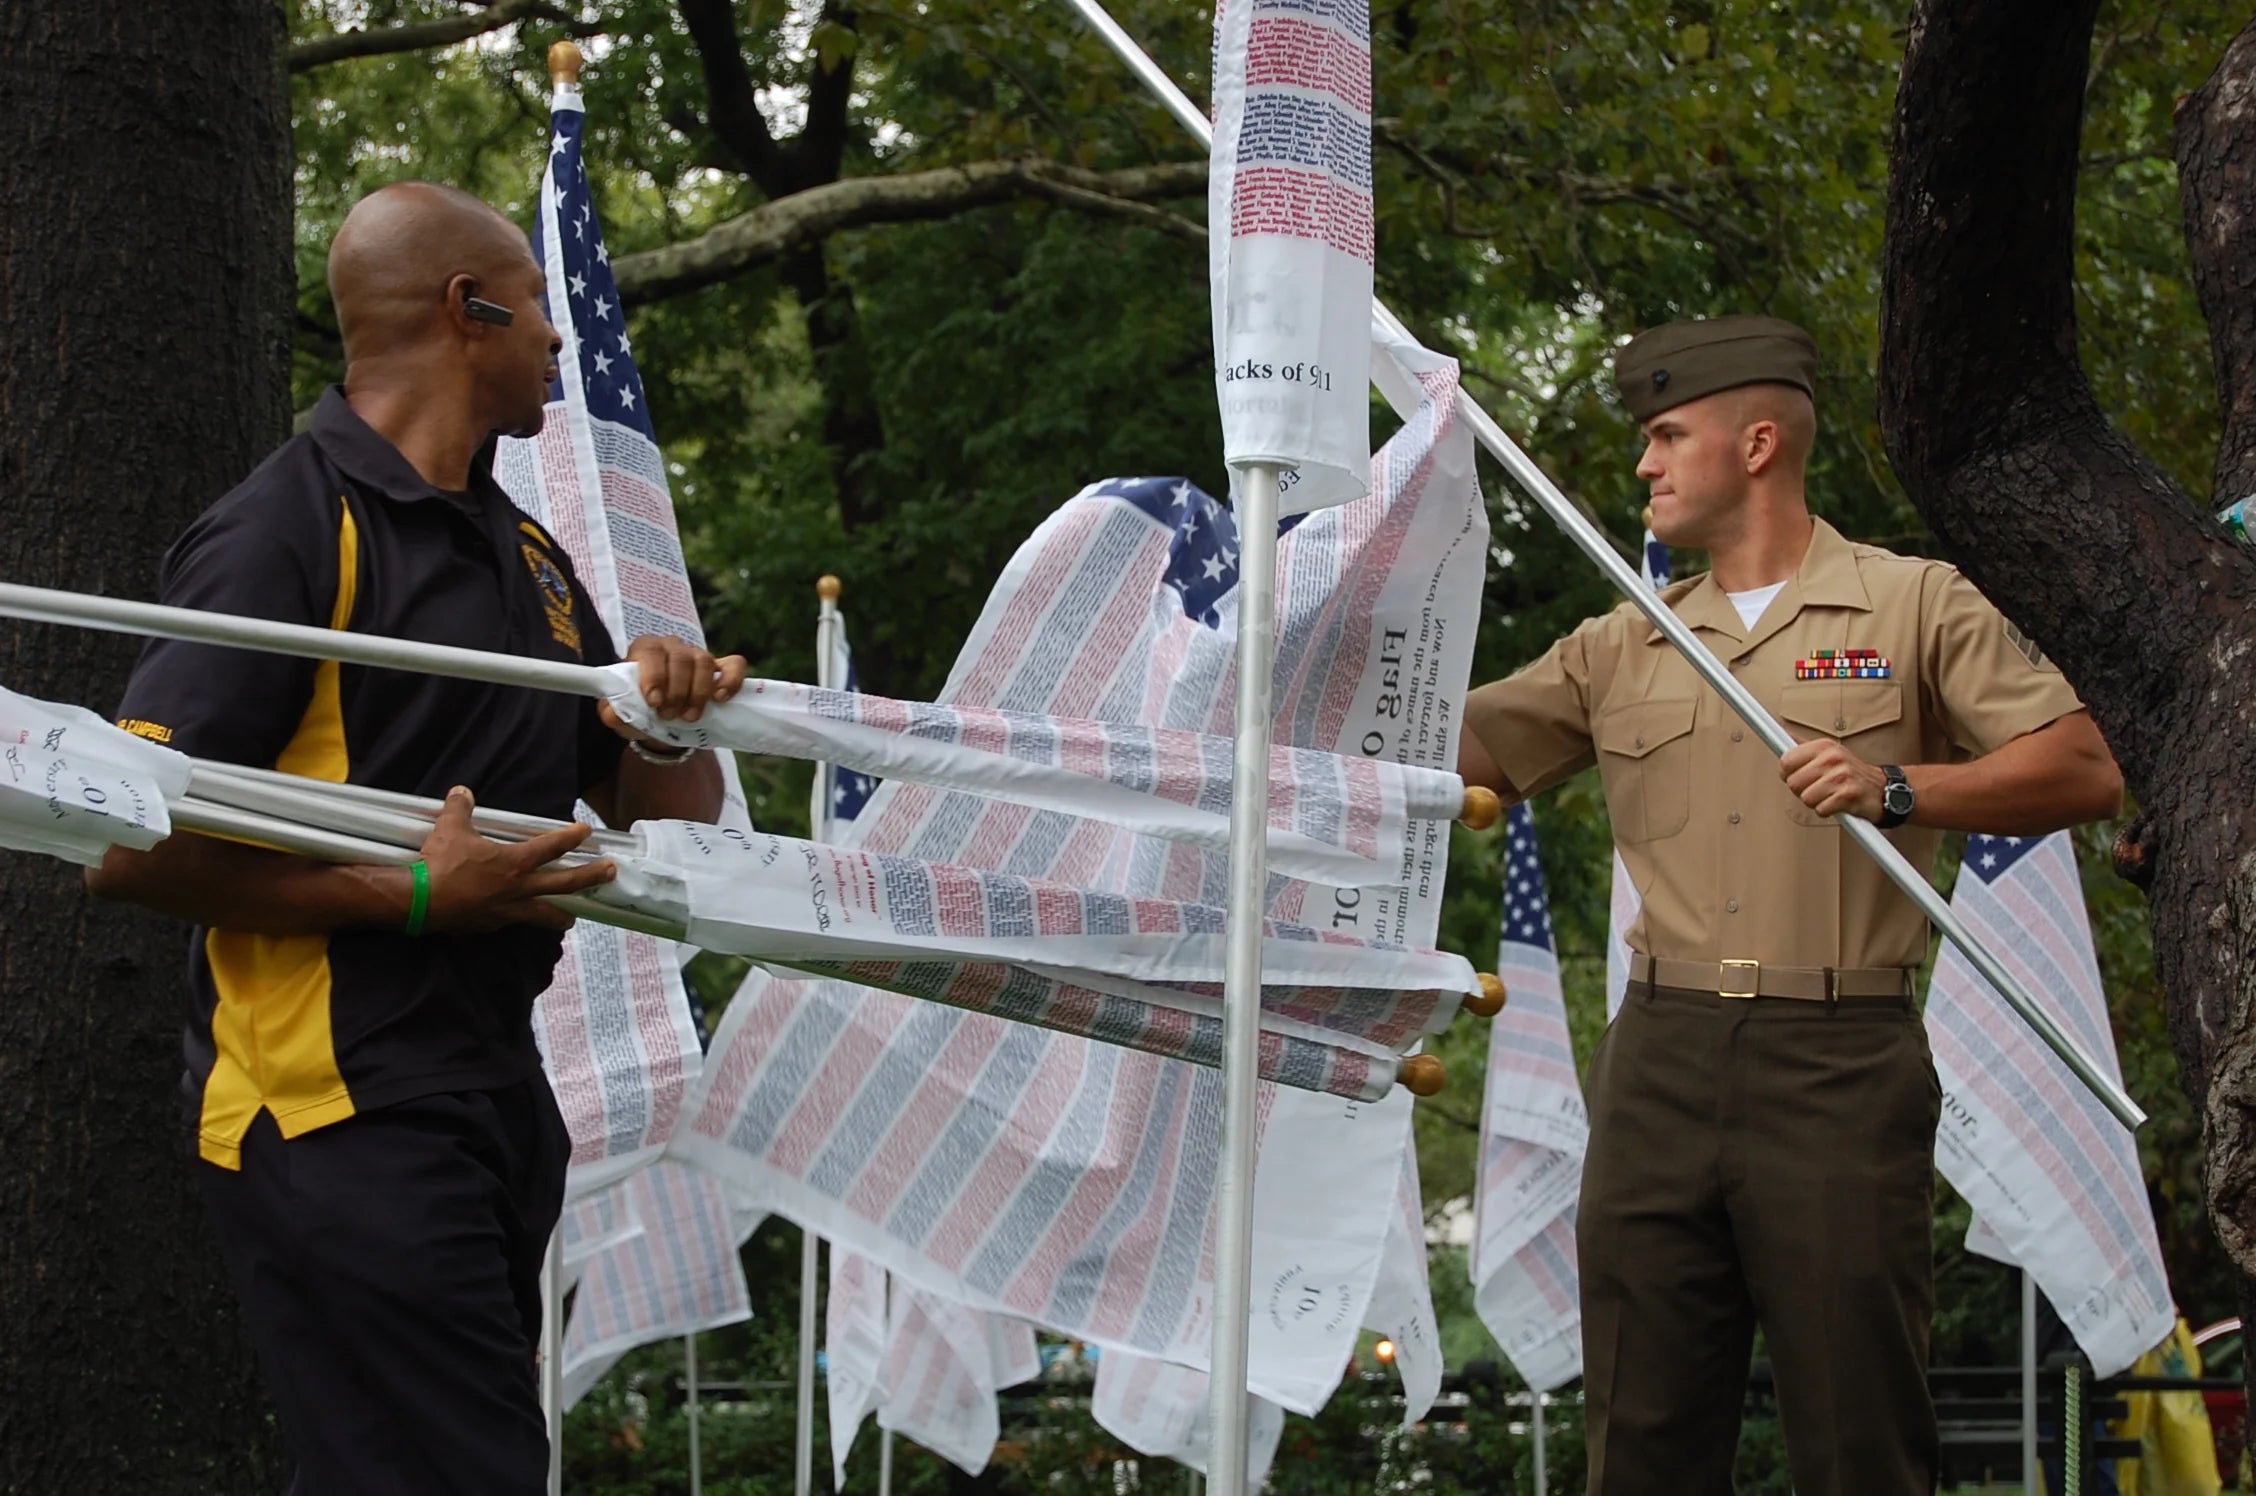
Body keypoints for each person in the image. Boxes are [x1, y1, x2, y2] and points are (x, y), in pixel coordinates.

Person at [85, 181, 746, 1494]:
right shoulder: (280, 533)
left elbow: (669, 810)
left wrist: (665, 716)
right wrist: (412, 897)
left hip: (490, 1091)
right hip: (331, 1107)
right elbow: (125, 843)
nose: (557, 340)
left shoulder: (534, 559)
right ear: (468, 310)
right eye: (537, 310)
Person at [1458, 315, 2124, 1495]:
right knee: (1643, 1439)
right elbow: (1448, 747)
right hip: (1658, 1059)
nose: (1645, 464)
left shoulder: (1914, 604)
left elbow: (2083, 764)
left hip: (1839, 1057)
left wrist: (1902, 783)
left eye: (1668, 435)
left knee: (1858, 1433)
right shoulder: (1628, 638)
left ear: (1756, 441)